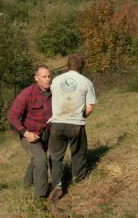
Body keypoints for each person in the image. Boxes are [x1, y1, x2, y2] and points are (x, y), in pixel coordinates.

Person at [48, 54, 97, 201]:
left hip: (56, 123)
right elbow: (89, 108)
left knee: (56, 157)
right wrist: (81, 117)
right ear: (81, 67)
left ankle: (57, 185)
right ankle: (79, 181)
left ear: (68, 65)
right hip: (75, 124)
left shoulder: (55, 81)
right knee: (78, 152)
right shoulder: (86, 82)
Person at [8, 65, 52, 198]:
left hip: (48, 132)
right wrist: (27, 134)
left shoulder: (55, 91)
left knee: (38, 159)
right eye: (44, 77)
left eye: (49, 76)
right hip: (30, 134)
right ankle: (40, 197)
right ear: (36, 78)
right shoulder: (27, 93)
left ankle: (28, 183)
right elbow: (12, 117)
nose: (48, 79)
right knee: (41, 160)